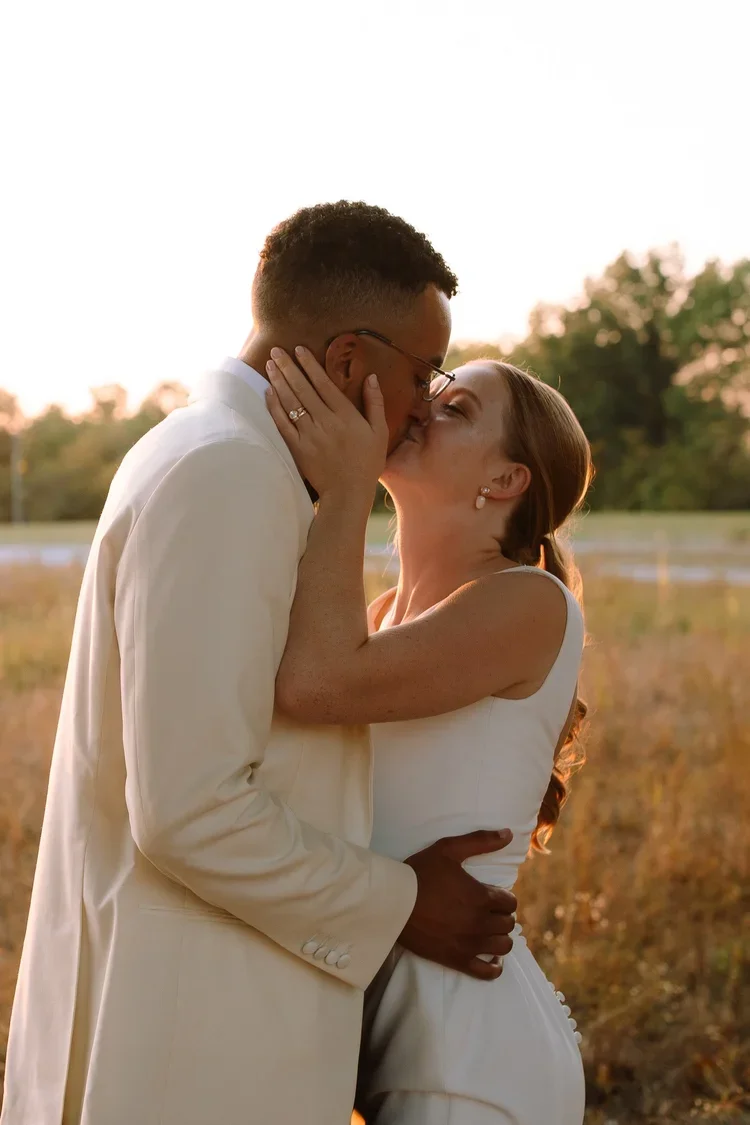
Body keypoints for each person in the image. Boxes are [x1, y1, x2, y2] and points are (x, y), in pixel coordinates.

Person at [0, 203, 518, 1125]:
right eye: (423, 371)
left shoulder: (219, 454)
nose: (424, 404)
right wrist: (400, 902)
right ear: (354, 360)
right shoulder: (231, 474)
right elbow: (193, 807)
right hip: (193, 1041)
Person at [265, 348, 593, 1124]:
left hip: (467, 1055)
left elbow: (314, 686)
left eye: (458, 410)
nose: (423, 409)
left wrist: (343, 485)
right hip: (391, 1036)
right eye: (435, 393)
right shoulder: (376, 619)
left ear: (505, 481)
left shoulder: (529, 602)